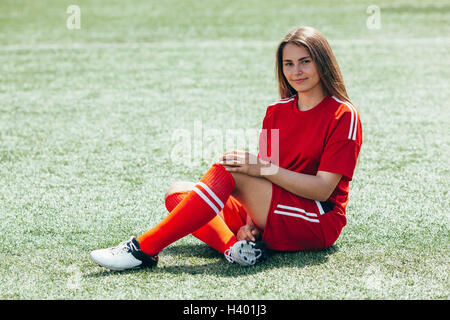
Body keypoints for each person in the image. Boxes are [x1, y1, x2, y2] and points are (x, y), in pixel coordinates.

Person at [90, 26, 362, 270]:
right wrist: (251, 224)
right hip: (278, 207)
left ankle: (143, 250)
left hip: (316, 219)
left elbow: (322, 188)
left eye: (305, 62)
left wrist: (261, 167)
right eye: (288, 64)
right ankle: (234, 249)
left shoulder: (343, 114)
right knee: (177, 194)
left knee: (231, 169)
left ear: (322, 63)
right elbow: (266, 179)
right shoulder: (276, 112)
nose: (296, 71)